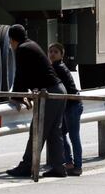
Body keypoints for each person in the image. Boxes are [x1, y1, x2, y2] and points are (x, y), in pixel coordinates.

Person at [5, 25, 68, 178]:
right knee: (53, 131)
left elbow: (20, 76)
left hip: (50, 93)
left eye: (10, 42)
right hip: (59, 90)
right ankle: (59, 166)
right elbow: (31, 74)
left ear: (13, 40)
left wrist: (17, 97)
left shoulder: (22, 49)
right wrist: (24, 94)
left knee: (37, 130)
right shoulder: (31, 45)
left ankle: (27, 166)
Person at [48, 42, 83, 177]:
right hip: (65, 106)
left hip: (73, 106)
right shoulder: (55, 67)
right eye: (50, 51)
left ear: (61, 55)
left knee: (74, 136)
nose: (52, 54)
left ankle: (78, 166)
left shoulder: (59, 68)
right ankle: (68, 162)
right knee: (61, 134)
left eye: (56, 52)